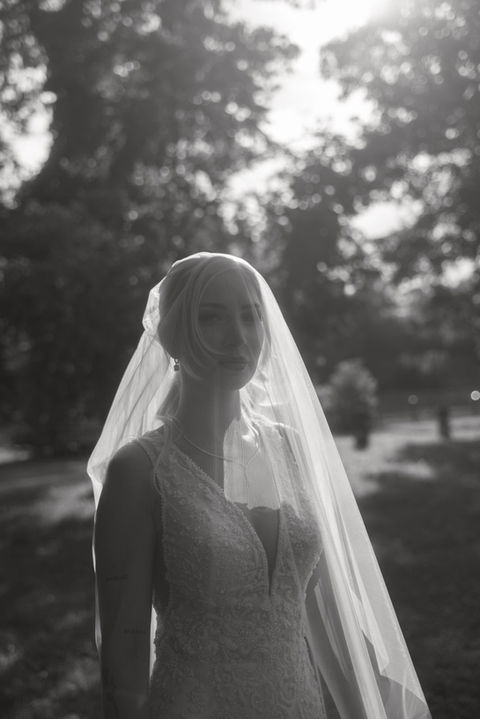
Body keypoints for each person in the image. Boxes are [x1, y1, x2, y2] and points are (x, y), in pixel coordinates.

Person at [88, 252, 431, 719]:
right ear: (170, 334)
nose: (239, 337)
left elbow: (330, 620)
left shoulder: (290, 449)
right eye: (211, 317)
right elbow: (123, 665)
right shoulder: (140, 471)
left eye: (251, 316)